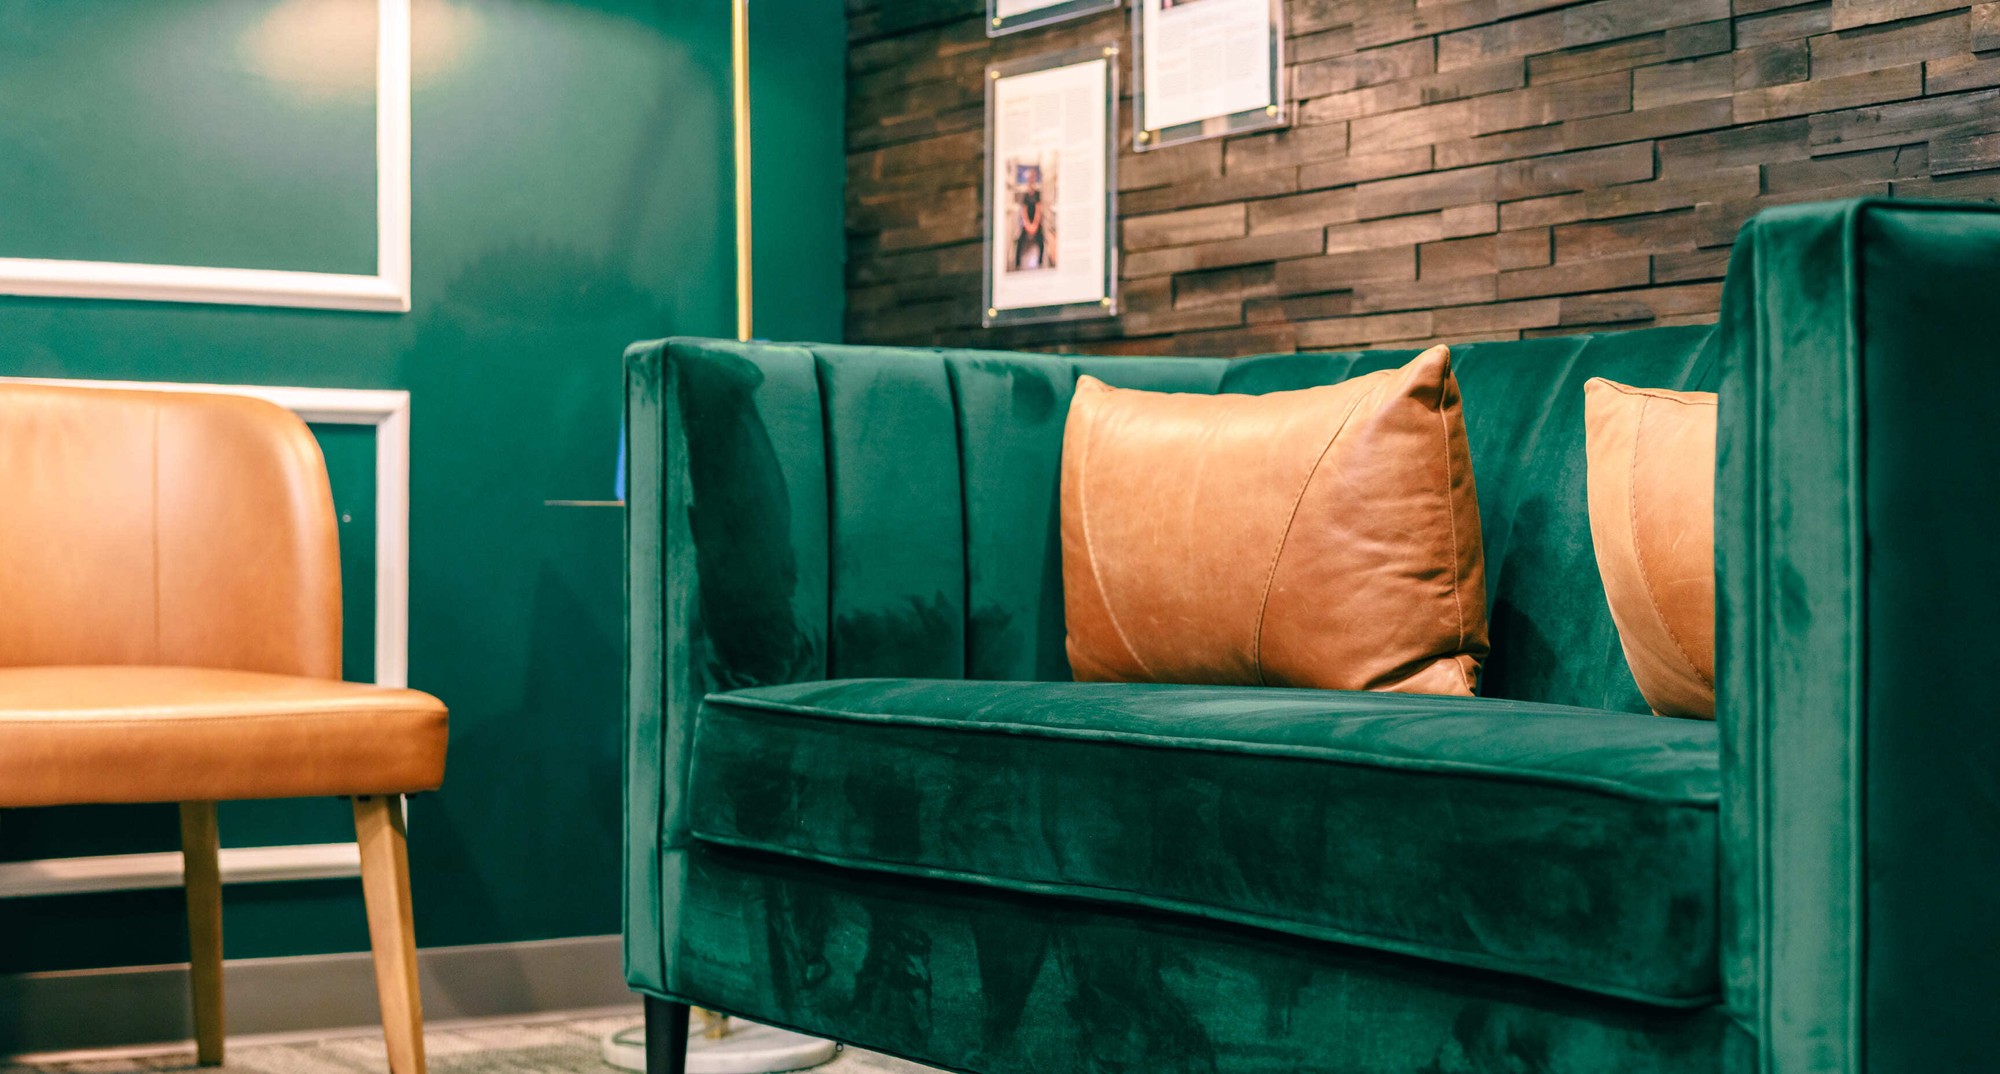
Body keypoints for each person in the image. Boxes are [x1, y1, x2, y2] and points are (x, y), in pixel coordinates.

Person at [1014, 176, 1045, 270]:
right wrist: (1027, 224)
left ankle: (1040, 262)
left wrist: (1035, 224)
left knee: (1041, 241)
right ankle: (1017, 263)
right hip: (1026, 222)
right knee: (1020, 241)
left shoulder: (1038, 194)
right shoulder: (1025, 195)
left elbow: (1038, 210)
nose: (1031, 183)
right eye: (1029, 181)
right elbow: (1024, 210)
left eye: (1032, 181)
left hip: (1036, 222)